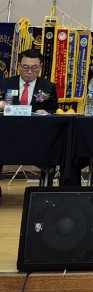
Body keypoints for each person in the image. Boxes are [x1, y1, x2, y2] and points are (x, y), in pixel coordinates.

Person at [0, 48, 59, 193]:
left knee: (54, 149)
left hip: (37, 136)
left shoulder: (48, 87)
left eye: (34, 68)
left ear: (40, 67)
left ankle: (46, 191)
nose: (29, 72)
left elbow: (54, 110)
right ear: (19, 66)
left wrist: (46, 112)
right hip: (7, 135)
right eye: (25, 67)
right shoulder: (5, 84)